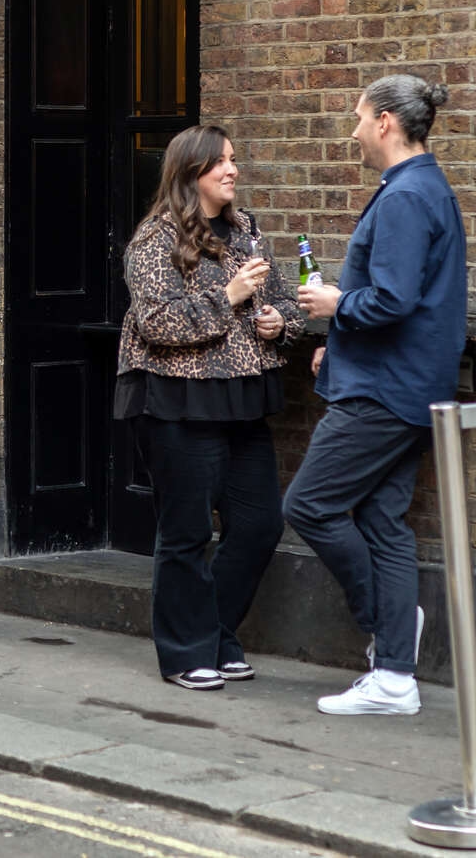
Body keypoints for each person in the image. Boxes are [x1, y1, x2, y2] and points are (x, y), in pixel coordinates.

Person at [287, 76, 466, 714]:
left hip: (382, 394)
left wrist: (337, 304)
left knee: (308, 505)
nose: (354, 130)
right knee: (383, 523)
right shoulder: (422, 188)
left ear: (386, 121)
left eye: (359, 116)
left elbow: (392, 298)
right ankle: (395, 678)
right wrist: (340, 337)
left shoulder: (406, 198)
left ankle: (390, 625)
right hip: (405, 384)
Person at [117, 125, 302, 691]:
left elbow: (285, 303)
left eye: (234, 160)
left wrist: (278, 323)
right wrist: (230, 298)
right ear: (189, 172)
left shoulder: (247, 230)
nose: (233, 171)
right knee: (187, 531)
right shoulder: (154, 239)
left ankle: (217, 631)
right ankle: (184, 652)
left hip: (243, 398)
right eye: (220, 163)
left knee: (259, 524)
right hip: (177, 400)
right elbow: (158, 323)